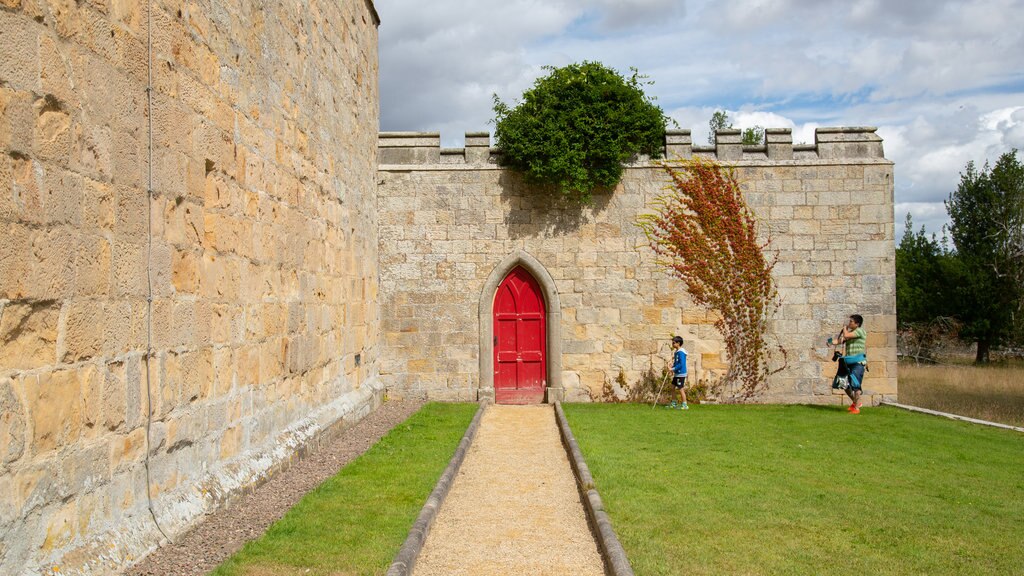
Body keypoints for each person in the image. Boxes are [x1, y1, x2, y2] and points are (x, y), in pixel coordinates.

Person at [831, 314, 867, 414]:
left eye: (851, 321)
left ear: (857, 323)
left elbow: (846, 336)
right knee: (843, 383)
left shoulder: (860, 331)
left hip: (857, 362)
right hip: (847, 362)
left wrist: (844, 329)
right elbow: (840, 340)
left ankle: (856, 408)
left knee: (855, 384)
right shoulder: (851, 333)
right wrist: (830, 342)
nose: (849, 323)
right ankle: (856, 402)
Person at [666, 336, 689, 410]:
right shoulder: (677, 352)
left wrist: (673, 369)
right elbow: (677, 362)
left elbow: (681, 364)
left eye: (673, 343)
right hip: (677, 374)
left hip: (681, 373)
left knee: (680, 388)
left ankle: (685, 404)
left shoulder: (681, 352)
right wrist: (672, 365)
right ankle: (674, 402)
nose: (672, 344)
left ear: (678, 343)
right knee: (672, 387)